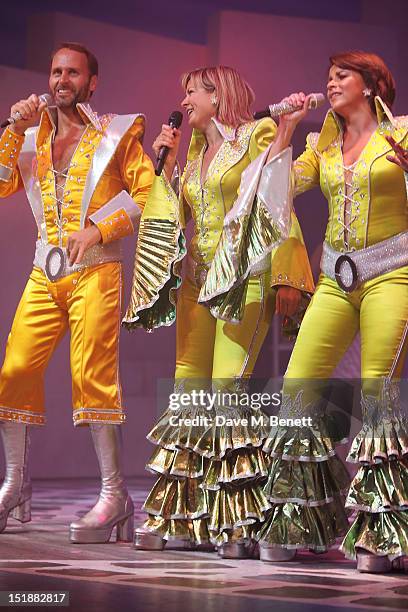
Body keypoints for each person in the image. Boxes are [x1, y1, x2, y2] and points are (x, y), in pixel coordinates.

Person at [123, 66, 314, 558]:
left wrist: (287, 273)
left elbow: (278, 199)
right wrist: (162, 169)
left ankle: (239, 521)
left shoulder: (257, 134)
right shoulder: (190, 157)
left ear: (216, 94)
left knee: (227, 392)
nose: (183, 101)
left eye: (191, 92)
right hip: (195, 285)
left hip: (243, 281)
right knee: (189, 393)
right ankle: (185, 516)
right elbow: (170, 217)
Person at [256, 51, 408, 573]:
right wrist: (287, 128)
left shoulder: (403, 133)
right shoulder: (323, 146)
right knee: (299, 385)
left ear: (371, 86)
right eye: (328, 76)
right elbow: (276, 193)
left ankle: (382, 530)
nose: (331, 83)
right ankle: (299, 518)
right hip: (334, 279)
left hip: (392, 271)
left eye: (342, 75)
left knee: (376, 392)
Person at [0, 42, 154, 543]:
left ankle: (114, 495)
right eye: (55, 71)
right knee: (15, 370)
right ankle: (16, 480)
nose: (61, 80)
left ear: (92, 82)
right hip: (45, 272)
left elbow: (148, 193)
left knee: (93, 376)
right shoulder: (32, 135)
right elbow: (1, 184)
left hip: (97, 270)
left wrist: (99, 229)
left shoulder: (114, 133)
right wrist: (12, 130)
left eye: (73, 73)